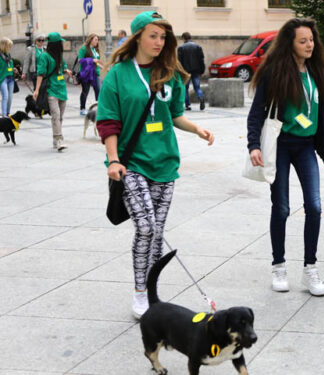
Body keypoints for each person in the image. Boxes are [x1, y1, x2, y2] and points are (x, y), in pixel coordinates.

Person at [95, 11, 214, 318]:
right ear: (137, 37)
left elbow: (174, 114)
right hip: (131, 162)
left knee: (158, 233)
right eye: (153, 35)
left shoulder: (169, 72)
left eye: (163, 37)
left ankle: (151, 290)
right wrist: (113, 159)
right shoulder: (119, 74)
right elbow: (108, 121)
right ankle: (139, 292)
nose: (159, 42)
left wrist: (197, 129)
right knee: (145, 227)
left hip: (164, 162)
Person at [246, 18, 324, 296]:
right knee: (282, 207)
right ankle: (279, 265)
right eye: (303, 41)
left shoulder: (315, 72)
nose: (309, 45)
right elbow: (257, 111)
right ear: (290, 44)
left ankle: (311, 269)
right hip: (281, 146)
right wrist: (253, 145)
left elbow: (320, 116)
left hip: (306, 146)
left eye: (311, 40)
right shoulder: (275, 71)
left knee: (315, 206)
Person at [33, 32, 72, 151]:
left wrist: (67, 71)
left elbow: (63, 67)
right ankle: (59, 139)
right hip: (51, 89)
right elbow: (40, 73)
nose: (62, 44)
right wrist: (37, 90)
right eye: (60, 42)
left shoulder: (60, 56)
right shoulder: (44, 56)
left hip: (62, 89)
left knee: (60, 117)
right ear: (56, 44)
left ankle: (55, 139)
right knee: (55, 115)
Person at [177, 32, 206, 111]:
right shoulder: (198, 47)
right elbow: (201, 60)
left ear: (183, 38)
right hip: (196, 71)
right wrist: (202, 70)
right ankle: (201, 97)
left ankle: (187, 105)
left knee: (185, 88)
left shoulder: (181, 48)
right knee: (197, 87)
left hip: (186, 71)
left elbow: (179, 61)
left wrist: (180, 71)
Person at [78, 33, 103, 116]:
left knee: (99, 90)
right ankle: (82, 108)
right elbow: (80, 60)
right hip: (86, 74)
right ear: (91, 40)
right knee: (85, 91)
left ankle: (100, 108)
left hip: (95, 73)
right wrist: (92, 61)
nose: (97, 41)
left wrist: (102, 66)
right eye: (95, 39)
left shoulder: (95, 49)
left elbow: (95, 61)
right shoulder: (84, 48)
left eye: (97, 39)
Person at [0, 37, 15, 117]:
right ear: (4, 46)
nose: (10, 47)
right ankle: (4, 115)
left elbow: (9, 66)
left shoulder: (8, 55)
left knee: (10, 97)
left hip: (10, 78)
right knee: (5, 96)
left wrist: (13, 69)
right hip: (2, 79)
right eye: (9, 46)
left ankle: (8, 113)